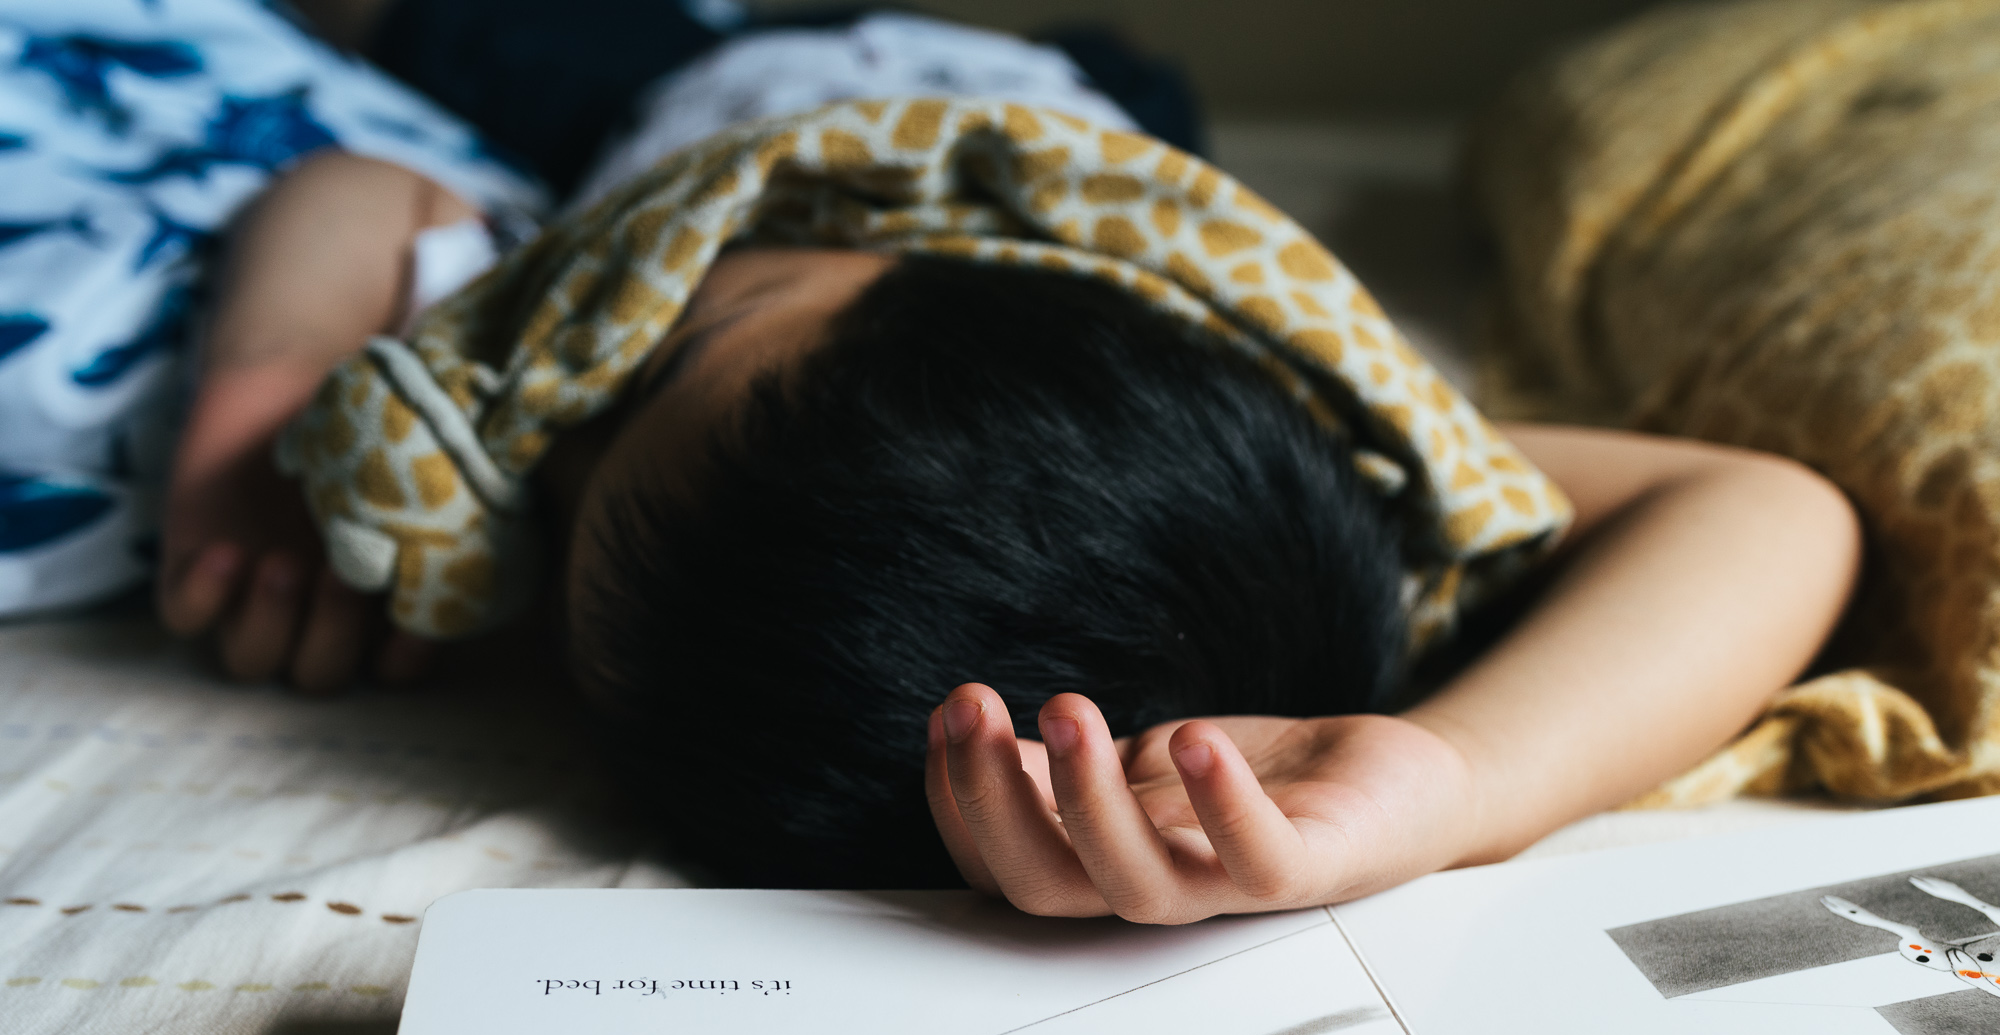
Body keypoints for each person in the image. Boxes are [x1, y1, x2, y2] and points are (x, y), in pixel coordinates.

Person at [15, 2, 1862, 917]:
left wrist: (287, 404)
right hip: (1058, 118)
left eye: (579, 485)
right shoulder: (1280, 414)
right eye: (718, 327)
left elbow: (358, 200)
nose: (642, 329)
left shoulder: (548, 347)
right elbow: (1766, 507)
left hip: (639, 99)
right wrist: (1456, 777)